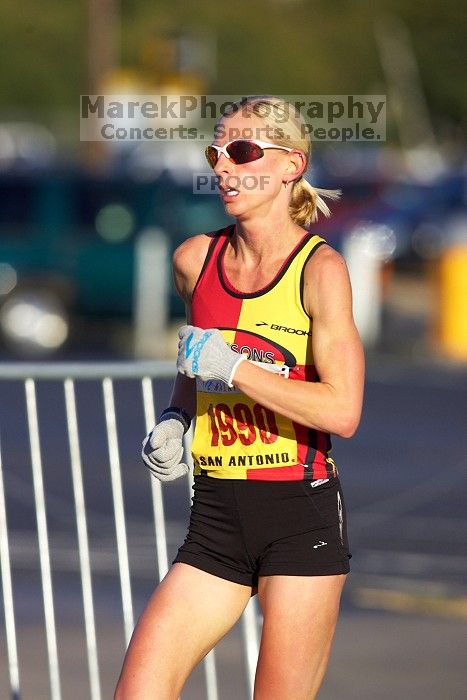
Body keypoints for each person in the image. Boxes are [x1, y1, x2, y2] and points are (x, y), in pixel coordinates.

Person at [115, 95, 365, 700]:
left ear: (290, 165)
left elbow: (342, 410)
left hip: (298, 520)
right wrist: (178, 414)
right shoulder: (195, 260)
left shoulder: (319, 269)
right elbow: (195, 362)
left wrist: (237, 370)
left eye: (244, 151)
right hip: (216, 517)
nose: (224, 167)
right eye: (218, 152)